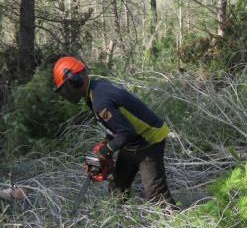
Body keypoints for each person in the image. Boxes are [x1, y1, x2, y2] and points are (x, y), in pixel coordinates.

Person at [52, 56, 176, 206]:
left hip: (148, 140)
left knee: (156, 195)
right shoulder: (96, 89)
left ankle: (176, 223)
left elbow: (126, 132)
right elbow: (117, 124)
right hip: (131, 142)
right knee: (117, 189)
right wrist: (105, 144)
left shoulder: (99, 101)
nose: (66, 93)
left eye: (66, 88)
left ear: (75, 80)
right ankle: (117, 226)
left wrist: (105, 152)